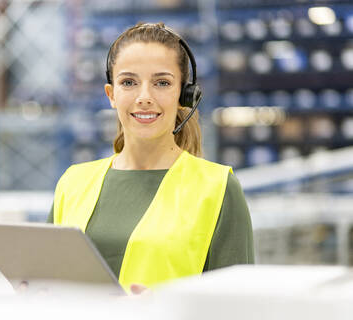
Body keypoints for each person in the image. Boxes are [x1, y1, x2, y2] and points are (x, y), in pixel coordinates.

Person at [47, 22, 254, 294]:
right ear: (111, 94)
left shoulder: (217, 189)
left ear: (184, 95)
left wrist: (167, 312)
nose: (144, 97)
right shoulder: (73, 183)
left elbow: (238, 310)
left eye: (162, 83)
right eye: (129, 82)